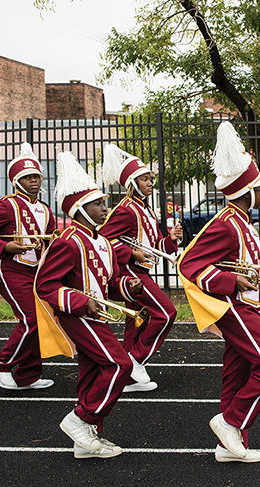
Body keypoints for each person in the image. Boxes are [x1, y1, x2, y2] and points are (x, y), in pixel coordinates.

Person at [178, 121, 260, 464]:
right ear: (244, 191)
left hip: (248, 307)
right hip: (233, 308)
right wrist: (230, 281)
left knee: (236, 373)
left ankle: (228, 446)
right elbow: (189, 265)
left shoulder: (242, 220)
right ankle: (230, 422)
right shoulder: (225, 223)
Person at [35, 151, 142, 459]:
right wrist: (82, 303)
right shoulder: (68, 240)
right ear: (81, 208)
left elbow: (110, 282)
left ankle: (85, 441)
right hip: (78, 315)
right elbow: (45, 285)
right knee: (120, 365)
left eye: (104, 202)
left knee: (93, 370)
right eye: (98, 203)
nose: (105, 207)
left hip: (98, 314)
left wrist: (127, 286)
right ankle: (81, 419)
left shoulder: (103, 242)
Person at [99, 144, 181, 393]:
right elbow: (102, 241)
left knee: (137, 322)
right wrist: (131, 252)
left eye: (150, 178)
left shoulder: (146, 209)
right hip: (129, 272)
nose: (149, 183)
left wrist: (172, 238)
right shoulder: (125, 209)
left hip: (142, 270)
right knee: (166, 313)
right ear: (132, 183)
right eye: (144, 179)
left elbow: (157, 245)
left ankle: (126, 375)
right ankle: (135, 359)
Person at [0, 142, 56, 390]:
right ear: (16, 181)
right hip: (11, 269)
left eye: (36, 176)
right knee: (31, 319)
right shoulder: (5, 205)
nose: (34, 180)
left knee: (41, 320)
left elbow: (52, 236)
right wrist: (4, 247)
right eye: (27, 177)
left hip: (37, 271)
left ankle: (28, 375)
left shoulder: (45, 209)